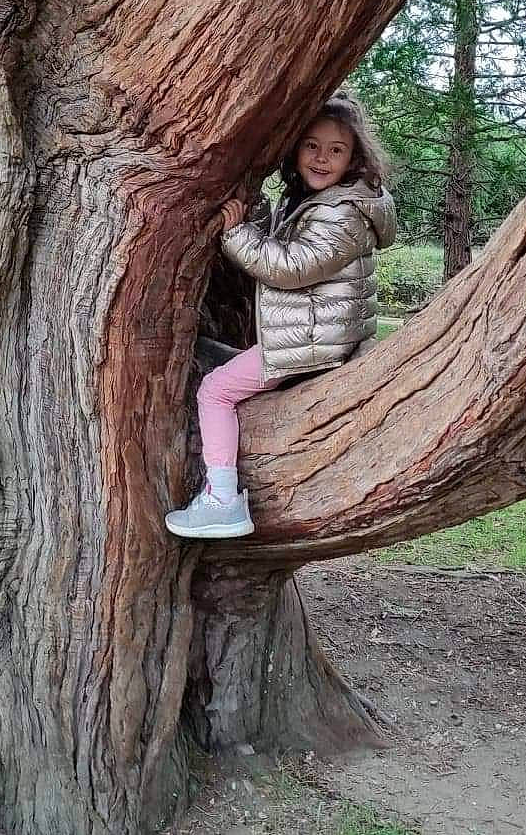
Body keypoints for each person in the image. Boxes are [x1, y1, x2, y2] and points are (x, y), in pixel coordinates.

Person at [165, 93, 396, 541]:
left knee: (214, 391)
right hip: (315, 335)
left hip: (316, 345)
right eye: (311, 145)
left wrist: (235, 233)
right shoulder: (321, 201)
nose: (322, 158)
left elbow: (290, 267)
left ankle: (222, 499)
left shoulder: (343, 212)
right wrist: (252, 214)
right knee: (217, 365)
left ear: (355, 158)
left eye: (336, 150)